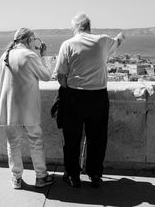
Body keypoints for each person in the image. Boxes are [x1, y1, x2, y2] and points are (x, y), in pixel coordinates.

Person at [53, 13, 125, 188]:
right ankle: (94, 175)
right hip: (98, 97)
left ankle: (72, 175)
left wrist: (70, 86)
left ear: (76, 28)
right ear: (89, 26)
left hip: (75, 97)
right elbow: (117, 42)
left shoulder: (68, 44)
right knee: (97, 138)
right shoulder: (102, 40)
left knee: (72, 138)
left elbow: (60, 76)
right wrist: (121, 37)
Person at [0, 28, 54, 189]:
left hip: (8, 107)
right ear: (28, 40)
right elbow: (47, 76)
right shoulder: (30, 55)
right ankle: (41, 176)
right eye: (34, 40)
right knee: (35, 141)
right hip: (28, 107)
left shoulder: (5, 55)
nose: (35, 43)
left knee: (13, 143)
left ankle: (16, 178)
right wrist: (44, 55)